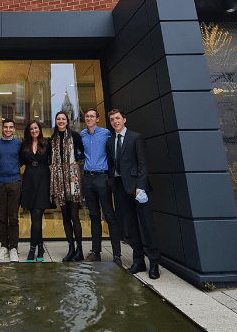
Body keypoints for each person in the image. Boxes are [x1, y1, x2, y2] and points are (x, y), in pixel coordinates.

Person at [107, 109, 161, 279]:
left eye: (117, 118)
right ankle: (138, 261)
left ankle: (154, 263)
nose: (115, 121)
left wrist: (141, 186)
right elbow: (112, 164)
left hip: (138, 189)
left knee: (146, 225)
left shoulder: (135, 137)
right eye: (112, 119)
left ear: (124, 119)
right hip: (121, 188)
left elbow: (143, 164)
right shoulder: (110, 142)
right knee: (131, 226)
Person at [81, 109, 121, 265]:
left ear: (97, 119)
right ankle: (96, 252)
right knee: (94, 216)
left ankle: (117, 255)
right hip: (88, 178)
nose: (89, 118)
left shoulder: (106, 133)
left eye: (92, 116)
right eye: (87, 116)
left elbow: (114, 152)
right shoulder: (83, 135)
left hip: (102, 177)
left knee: (109, 215)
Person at [50, 111, 85, 262]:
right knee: (64, 216)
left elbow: (83, 153)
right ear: (56, 121)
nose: (61, 121)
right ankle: (70, 249)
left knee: (74, 215)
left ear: (67, 121)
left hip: (72, 179)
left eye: (63, 119)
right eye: (58, 119)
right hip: (59, 180)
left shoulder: (75, 136)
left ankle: (80, 250)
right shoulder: (52, 138)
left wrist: (74, 166)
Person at [20, 120, 52, 262]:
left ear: (39, 129)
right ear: (29, 131)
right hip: (29, 180)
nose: (34, 131)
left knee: (38, 213)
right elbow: (19, 161)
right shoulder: (24, 145)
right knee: (34, 215)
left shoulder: (47, 142)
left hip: (43, 179)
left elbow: (53, 160)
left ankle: (32, 249)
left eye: (36, 128)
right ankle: (40, 246)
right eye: (31, 128)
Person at [0, 118, 22, 262]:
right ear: (2, 128)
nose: (8, 130)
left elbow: (21, 160)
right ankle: (4, 246)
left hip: (14, 182)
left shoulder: (19, 144)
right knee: (2, 217)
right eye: (6, 127)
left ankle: (14, 248)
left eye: (11, 127)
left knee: (13, 217)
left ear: (13, 129)